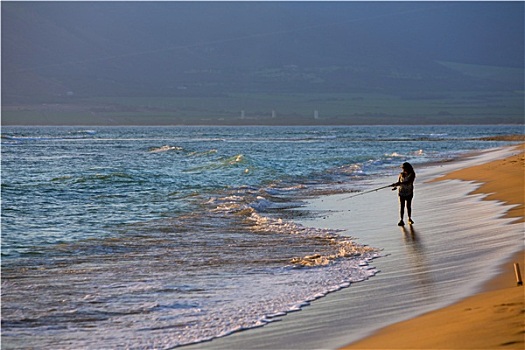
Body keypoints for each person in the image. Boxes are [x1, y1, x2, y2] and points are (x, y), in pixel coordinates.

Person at [392, 162, 416, 226]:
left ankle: (409, 218)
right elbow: (399, 182)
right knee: (402, 206)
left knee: (408, 206)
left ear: (408, 168)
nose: (403, 169)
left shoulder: (412, 174)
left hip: (409, 192)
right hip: (401, 192)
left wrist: (399, 184)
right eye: (402, 168)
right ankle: (401, 220)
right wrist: (395, 186)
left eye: (404, 168)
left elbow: (408, 182)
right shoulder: (401, 174)